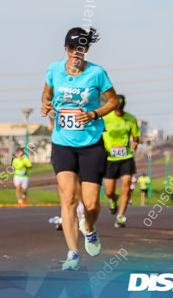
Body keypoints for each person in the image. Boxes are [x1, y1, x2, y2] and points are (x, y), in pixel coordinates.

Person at [41, 27, 119, 271]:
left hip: (91, 145)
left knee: (92, 203)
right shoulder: (54, 70)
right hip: (62, 144)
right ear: (66, 48)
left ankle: (89, 228)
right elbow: (46, 96)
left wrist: (94, 113)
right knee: (69, 198)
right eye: (73, 48)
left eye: (82, 48)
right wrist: (46, 108)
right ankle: (72, 253)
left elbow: (113, 101)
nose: (77, 52)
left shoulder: (97, 73)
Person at [101, 94, 140, 228]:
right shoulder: (105, 118)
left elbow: (136, 136)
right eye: (116, 107)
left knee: (126, 186)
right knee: (108, 191)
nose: (118, 110)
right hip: (110, 158)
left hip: (126, 157)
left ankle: (120, 216)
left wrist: (135, 143)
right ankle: (113, 199)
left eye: (121, 107)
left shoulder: (131, 119)